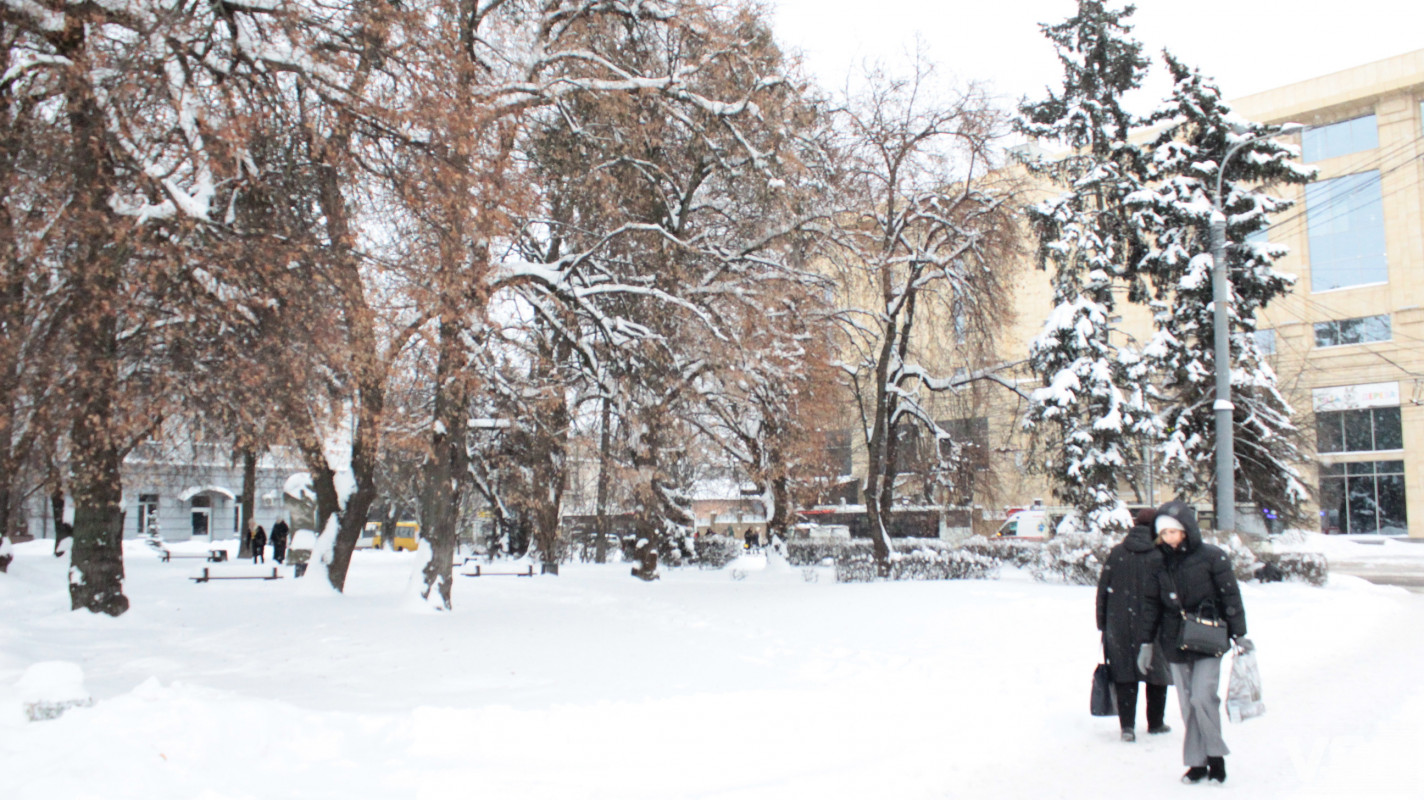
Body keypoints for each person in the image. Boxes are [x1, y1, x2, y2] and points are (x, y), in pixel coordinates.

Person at [1137, 501, 1247, 785]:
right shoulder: (1156, 562)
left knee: (1202, 698)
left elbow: (1230, 597)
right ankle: (1197, 762)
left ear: (1186, 530)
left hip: (1208, 636)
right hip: (1174, 640)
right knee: (1187, 704)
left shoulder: (1212, 557)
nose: (1170, 537)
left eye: (1174, 531)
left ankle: (1215, 758)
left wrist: (1240, 634)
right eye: (1165, 533)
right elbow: (1151, 605)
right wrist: (1146, 642)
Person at [1096, 508, 1172, 743]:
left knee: (1124, 673)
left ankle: (1127, 727)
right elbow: (1169, 593)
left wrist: (1102, 623)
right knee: (1156, 672)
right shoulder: (1161, 555)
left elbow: (1103, 590)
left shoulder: (1117, 553)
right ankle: (1156, 723)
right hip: (1154, 624)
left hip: (1119, 624)